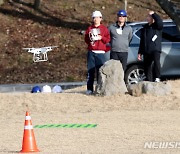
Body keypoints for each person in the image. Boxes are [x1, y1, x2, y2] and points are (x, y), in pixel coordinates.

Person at [85, 10, 110, 95]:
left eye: (97, 17)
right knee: (90, 71)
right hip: (91, 52)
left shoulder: (104, 29)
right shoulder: (90, 28)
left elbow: (107, 40)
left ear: (101, 18)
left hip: (100, 52)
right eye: (94, 18)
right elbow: (86, 39)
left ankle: (100, 88)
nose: (96, 19)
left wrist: (101, 37)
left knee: (100, 71)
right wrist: (90, 38)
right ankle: (89, 89)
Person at [138, 11, 163, 82]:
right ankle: (149, 79)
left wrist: (154, 14)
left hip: (155, 49)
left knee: (156, 62)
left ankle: (157, 77)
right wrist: (140, 52)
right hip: (147, 50)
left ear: (153, 18)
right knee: (147, 65)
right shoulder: (145, 28)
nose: (148, 18)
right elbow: (142, 40)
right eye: (148, 16)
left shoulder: (157, 27)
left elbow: (160, 22)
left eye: (150, 17)